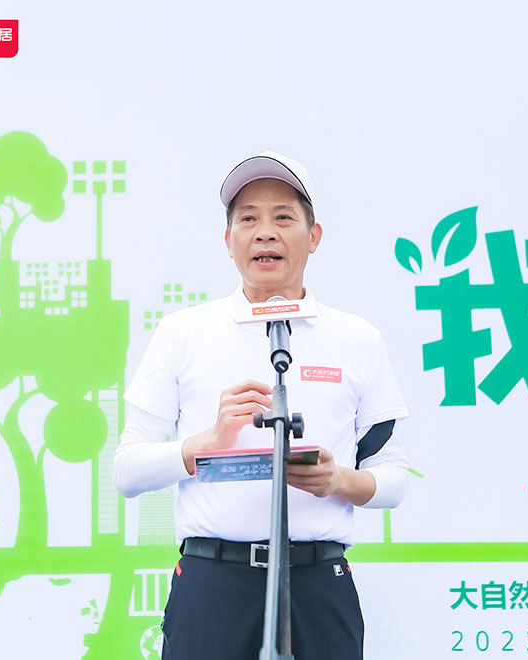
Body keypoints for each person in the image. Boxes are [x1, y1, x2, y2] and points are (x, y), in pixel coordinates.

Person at [114, 151, 410, 660]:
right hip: (212, 582)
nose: (265, 233)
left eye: (283, 218)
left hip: (318, 582)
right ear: (228, 240)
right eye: (248, 219)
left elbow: (394, 478)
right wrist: (204, 444)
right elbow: (126, 472)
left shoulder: (357, 338)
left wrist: (338, 480)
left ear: (314, 236)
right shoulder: (183, 332)